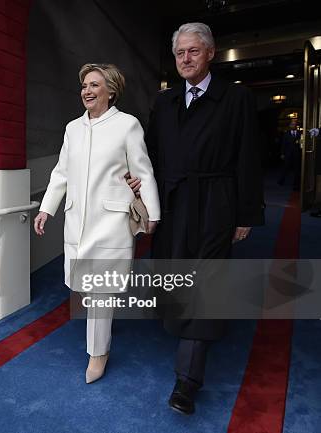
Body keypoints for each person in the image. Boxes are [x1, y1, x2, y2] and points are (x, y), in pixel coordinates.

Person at [129, 23, 264, 415]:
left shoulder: (236, 98)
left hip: (215, 202)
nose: (185, 59)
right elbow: (150, 157)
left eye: (192, 51)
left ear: (210, 53)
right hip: (172, 203)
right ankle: (183, 327)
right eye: (179, 53)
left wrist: (245, 213)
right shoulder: (164, 102)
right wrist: (140, 188)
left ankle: (187, 380)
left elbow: (248, 158)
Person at [34, 63, 160, 384]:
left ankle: (98, 353)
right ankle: (100, 335)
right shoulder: (72, 128)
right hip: (78, 221)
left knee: (102, 290)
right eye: (84, 86)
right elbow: (61, 173)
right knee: (87, 288)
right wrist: (47, 209)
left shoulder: (127, 125)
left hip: (111, 221)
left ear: (110, 91)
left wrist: (153, 213)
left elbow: (142, 171)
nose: (86, 91)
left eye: (94, 85)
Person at [278, 119, 301, 190]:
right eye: (292, 124)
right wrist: (282, 153)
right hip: (288, 154)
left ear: (296, 126)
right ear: (290, 125)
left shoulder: (299, 133)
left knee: (297, 169)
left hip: (296, 154)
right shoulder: (286, 133)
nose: (293, 125)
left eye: (295, 124)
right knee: (285, 168)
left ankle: (296, 184)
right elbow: (283, 144)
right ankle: (281, 181)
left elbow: (301, 143)